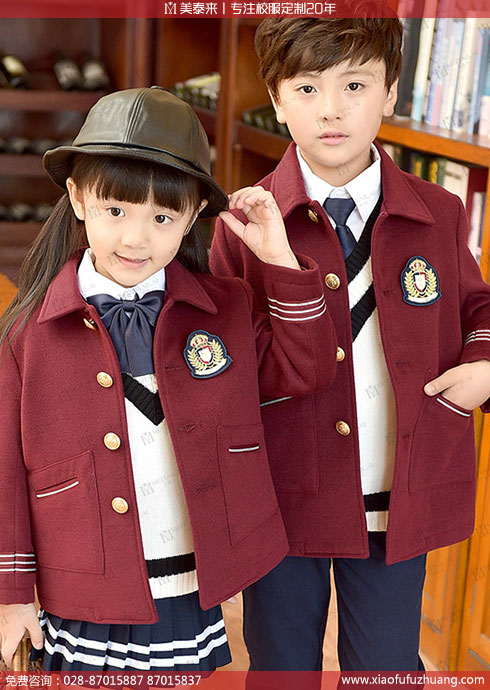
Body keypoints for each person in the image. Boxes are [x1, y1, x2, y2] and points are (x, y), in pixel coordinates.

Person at [0, 86, 337, 672]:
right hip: (82, 582)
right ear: (77, 199)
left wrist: (279, 262)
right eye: (115, 211)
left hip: (187, 576)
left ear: (192, 217)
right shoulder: (26, 332)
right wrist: (10, 596)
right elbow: (4, 469)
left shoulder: (226, 307)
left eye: (161, 218)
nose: (136, 239)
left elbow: (308, 368)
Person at [210, 17, 490, 675]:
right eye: (307, 89)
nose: (331, 110)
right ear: (277, 101)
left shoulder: (439, 212)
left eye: (355, 85)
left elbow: (477, 307)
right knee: (281, 666)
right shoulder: (242, 226)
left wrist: (484, 362)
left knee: (387, 668)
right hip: (281, 500)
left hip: (397, 499)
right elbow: (227, 367)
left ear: (390, 92)